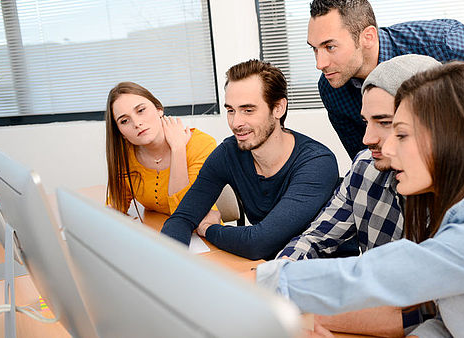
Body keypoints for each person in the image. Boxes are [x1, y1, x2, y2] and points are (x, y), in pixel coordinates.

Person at [256, 62, 464, 336]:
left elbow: (381, 275)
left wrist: (258, 288)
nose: (385, 147)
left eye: (400, 133)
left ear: (450, 137)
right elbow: (455, 320)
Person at [277, 54, 441, 336]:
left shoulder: (463, 199)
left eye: (385, 123)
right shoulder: (366, 167)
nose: (367, 138)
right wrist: (276, 282)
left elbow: (430, 311)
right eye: (366, 121)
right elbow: (315, 239)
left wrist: (325, 314)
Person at [161, 60, 339, 261]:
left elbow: (259, 243)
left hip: (318, 276)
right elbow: (182, 218)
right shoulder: (229, 153)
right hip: (266, 269)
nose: (236, 123)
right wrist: (168, 265)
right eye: (231, 110)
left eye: (248, 110)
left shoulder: (316, 163)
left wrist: (208, 228)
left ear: (278, 108)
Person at [307, 0, 464, 159]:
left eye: (330, 47)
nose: (320, 63)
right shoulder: (331, 87)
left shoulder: (440, 43)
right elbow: (365, 154)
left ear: (368, 37)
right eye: (315, 49)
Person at [105, 82, 217, 217]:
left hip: (199, 235)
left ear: (159, 109)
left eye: (141, 110)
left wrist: (178, 149)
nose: (137, 123)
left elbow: (186, 214)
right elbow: (115, 208)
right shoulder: (125, 155)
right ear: (121, 132)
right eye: (124, 121)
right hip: (158, 232)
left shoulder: (201, 144)